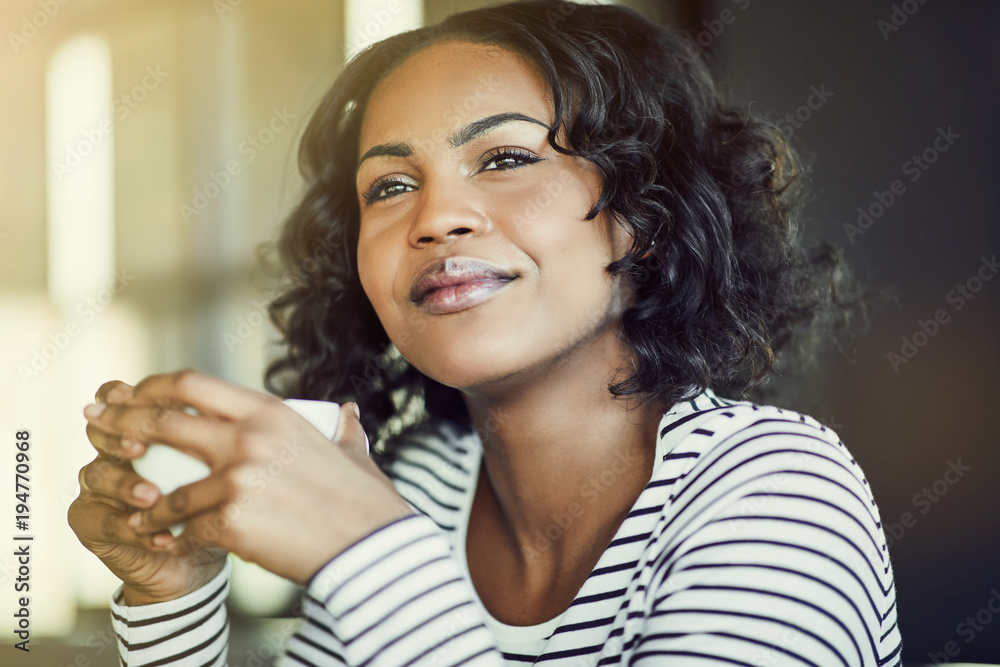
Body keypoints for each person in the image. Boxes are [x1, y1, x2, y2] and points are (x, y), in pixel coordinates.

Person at [69, 1, 903, 665]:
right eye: (389, 185)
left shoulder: (775, 487)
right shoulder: (425, 485)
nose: (435, 218)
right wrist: (170, 599)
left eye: (504, 159)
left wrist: (369, 551)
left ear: (643, 217)